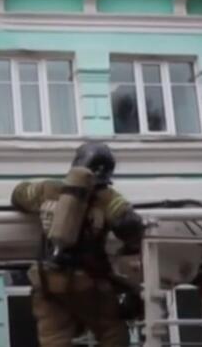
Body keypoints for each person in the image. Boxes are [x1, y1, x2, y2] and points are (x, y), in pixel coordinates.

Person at [11, 141, 144, 347]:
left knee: (53, 339)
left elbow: (18, 195)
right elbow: (130, 225)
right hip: (86, 284)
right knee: (112, 333)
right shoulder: (108, 198)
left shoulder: (48, 189)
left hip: (46, 282)